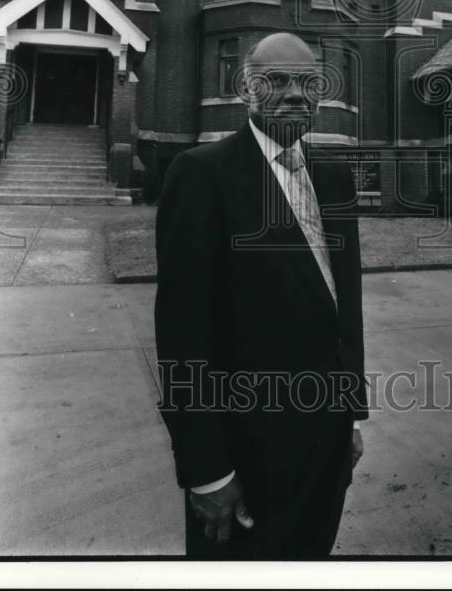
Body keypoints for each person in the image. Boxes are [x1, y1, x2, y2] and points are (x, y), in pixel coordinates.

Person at [154, 32, 368, 559]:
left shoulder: (334, 177)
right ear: (246, 91)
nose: (296, 94)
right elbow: (184, 333)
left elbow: (344, 307)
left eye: (309, 82)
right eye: (276, 81)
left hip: (328, 444)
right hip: (248, 456)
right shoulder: (203, 175)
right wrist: (206, 471)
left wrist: (351, 419)